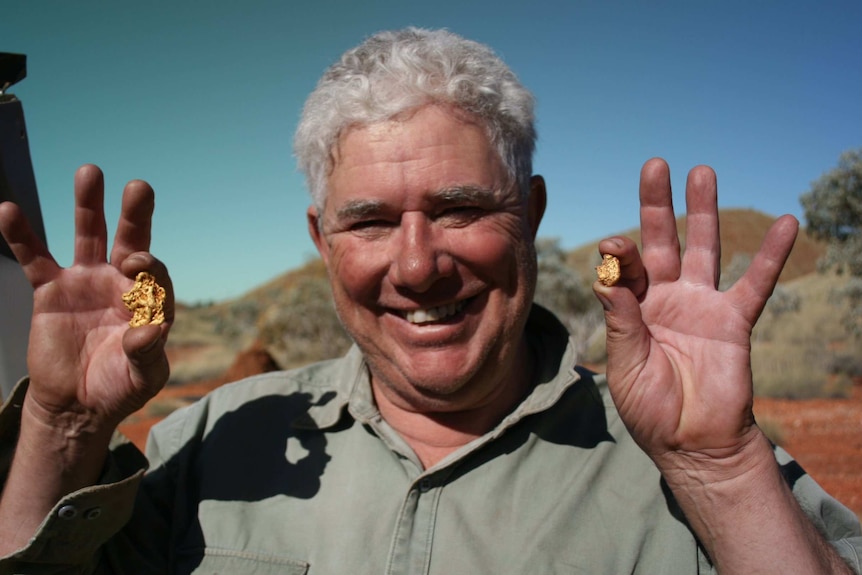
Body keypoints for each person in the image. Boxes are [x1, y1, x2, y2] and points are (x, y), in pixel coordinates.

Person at [0, 27, 860, 574]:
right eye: (369, 221)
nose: (417, 266)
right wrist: (62, 424)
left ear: (531, 214)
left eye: (460, 208)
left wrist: (720, 471)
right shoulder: (209, 446)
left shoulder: (684, 456)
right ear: (321, 242)